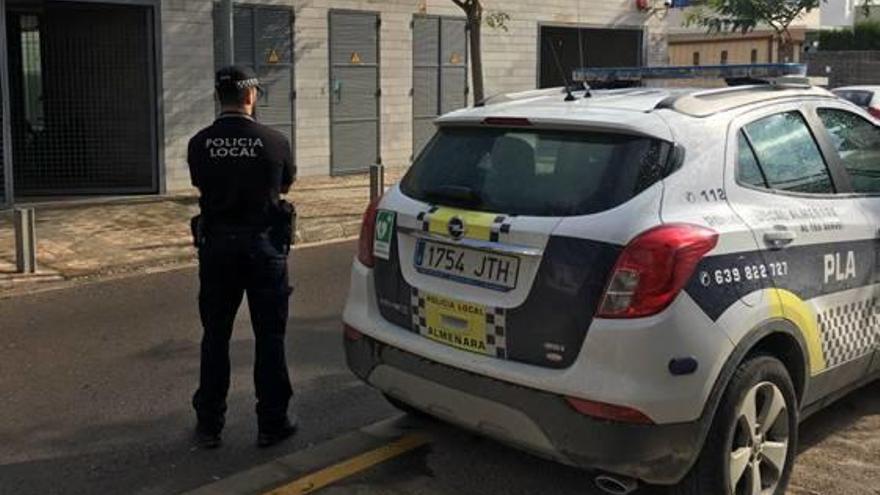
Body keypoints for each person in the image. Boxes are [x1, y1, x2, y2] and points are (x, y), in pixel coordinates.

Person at [187, 66, 297, 449]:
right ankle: (272, 423)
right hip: (264, 249)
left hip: (217, 250)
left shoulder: (199, 143)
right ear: (250, 96)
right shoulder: (275, 142)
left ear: (220, 97)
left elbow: (200, 184)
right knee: (270, 337)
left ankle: (208, 426)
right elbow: (284, 185)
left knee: (215, 337)